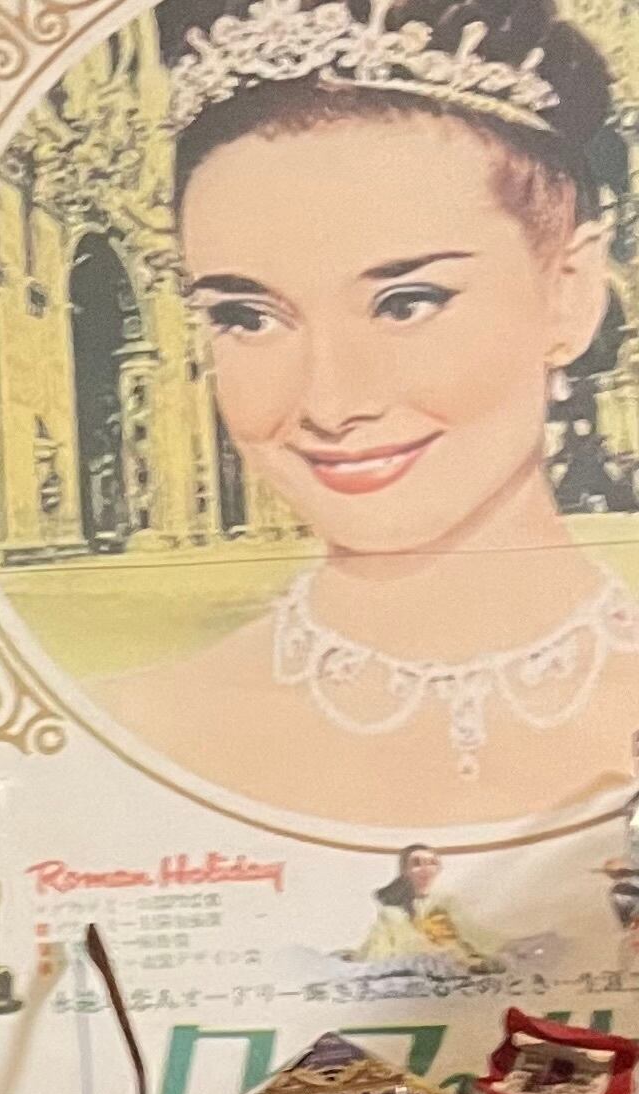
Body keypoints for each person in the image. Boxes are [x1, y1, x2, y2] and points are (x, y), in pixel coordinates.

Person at [99, 0, 639, 827]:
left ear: (569, 292)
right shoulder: (135, 731)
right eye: (247, 316)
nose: (330, 404)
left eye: (407, 301)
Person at [351, 838, 502, 963]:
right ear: (405, 871)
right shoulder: (392, 914)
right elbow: (384, 953)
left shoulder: (447, 902)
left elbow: (472, 933)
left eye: (431, 863)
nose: (426, 869)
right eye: (417, 863)